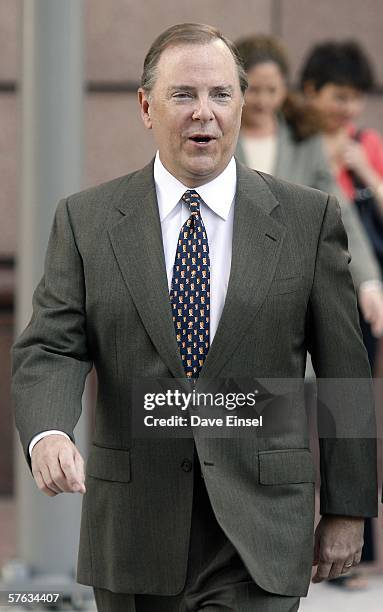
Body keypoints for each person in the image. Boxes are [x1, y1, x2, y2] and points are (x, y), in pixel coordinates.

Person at [11, 23, 378, 612]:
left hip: (259, 530)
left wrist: (346, 507)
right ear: (145, 107)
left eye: (221, 95)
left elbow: (343, 371)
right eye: (183, 95)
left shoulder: (308, 221)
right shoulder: (87, 222)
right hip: (133, 531)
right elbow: (49, 346)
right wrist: (49, 430)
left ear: (240, 104)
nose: (204, 113)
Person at [234, 34, 383, 340]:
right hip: (232, 292)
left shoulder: (304, 140)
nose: (263, 101)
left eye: (272, 90)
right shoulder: (217, 138)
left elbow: (340, 215)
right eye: (254, 90)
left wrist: (368, 281)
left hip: (293, 294)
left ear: (285, 88)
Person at [300, 40, 383, 368]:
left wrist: (367, 174)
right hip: (308, 282)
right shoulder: (296, 142)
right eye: (340, 96)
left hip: (360, 284)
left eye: (356, 97)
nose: (349, 107)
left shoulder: (366, 144)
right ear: (311, 90)